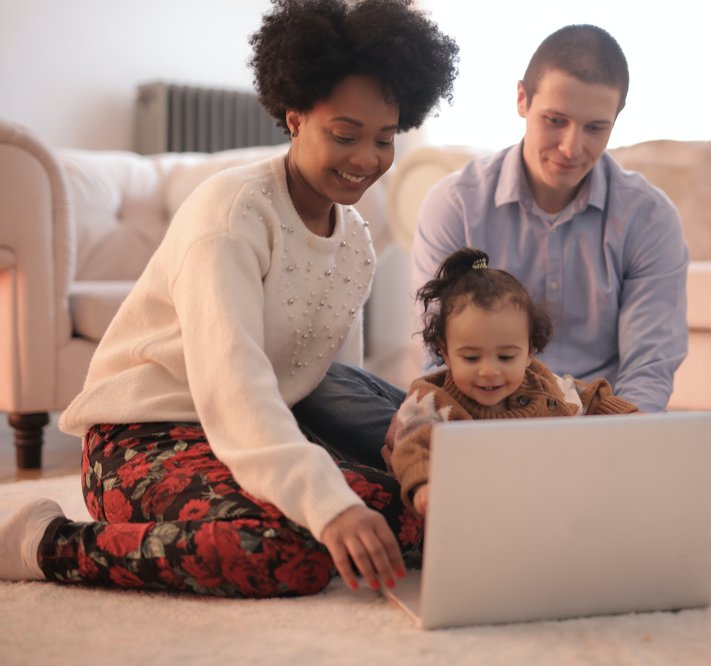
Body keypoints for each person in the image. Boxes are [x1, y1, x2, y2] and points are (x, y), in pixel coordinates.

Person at [0, 0, 458, 597]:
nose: (367, 159)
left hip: (255, 434)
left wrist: (393, 467)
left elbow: (324, 384)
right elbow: (232, 385)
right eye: (345, 135)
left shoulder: (357, 245)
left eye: (384, 138)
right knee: (283, 553)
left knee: (424, 517)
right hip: (141, 438)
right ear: (295, 116)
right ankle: (46, 541)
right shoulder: (233, 212)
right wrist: (327, 504)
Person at [407, 24, 711, 530]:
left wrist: (612, 448)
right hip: (476, 420)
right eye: (555, 120)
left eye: (596, 127)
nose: (572, 147)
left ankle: (528, 506)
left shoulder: (648, 215)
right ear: (522, 100)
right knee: (349, 398)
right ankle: (600, 512)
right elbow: (433, 350)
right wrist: (456, 439)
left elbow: (650, 363)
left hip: (598, 429)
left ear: (617, 120)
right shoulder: (456, 202)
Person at [383, 247, 639, 515]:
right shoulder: (430, 399)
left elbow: (588, 396)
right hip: (471, 509)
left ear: (529, 352)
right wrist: (424, 484)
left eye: (505, 357)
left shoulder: (541, 384)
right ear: (445, 351)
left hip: (547, 502)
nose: (489, 371)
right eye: (471, 358)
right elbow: (411, 444)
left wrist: (629, 415)